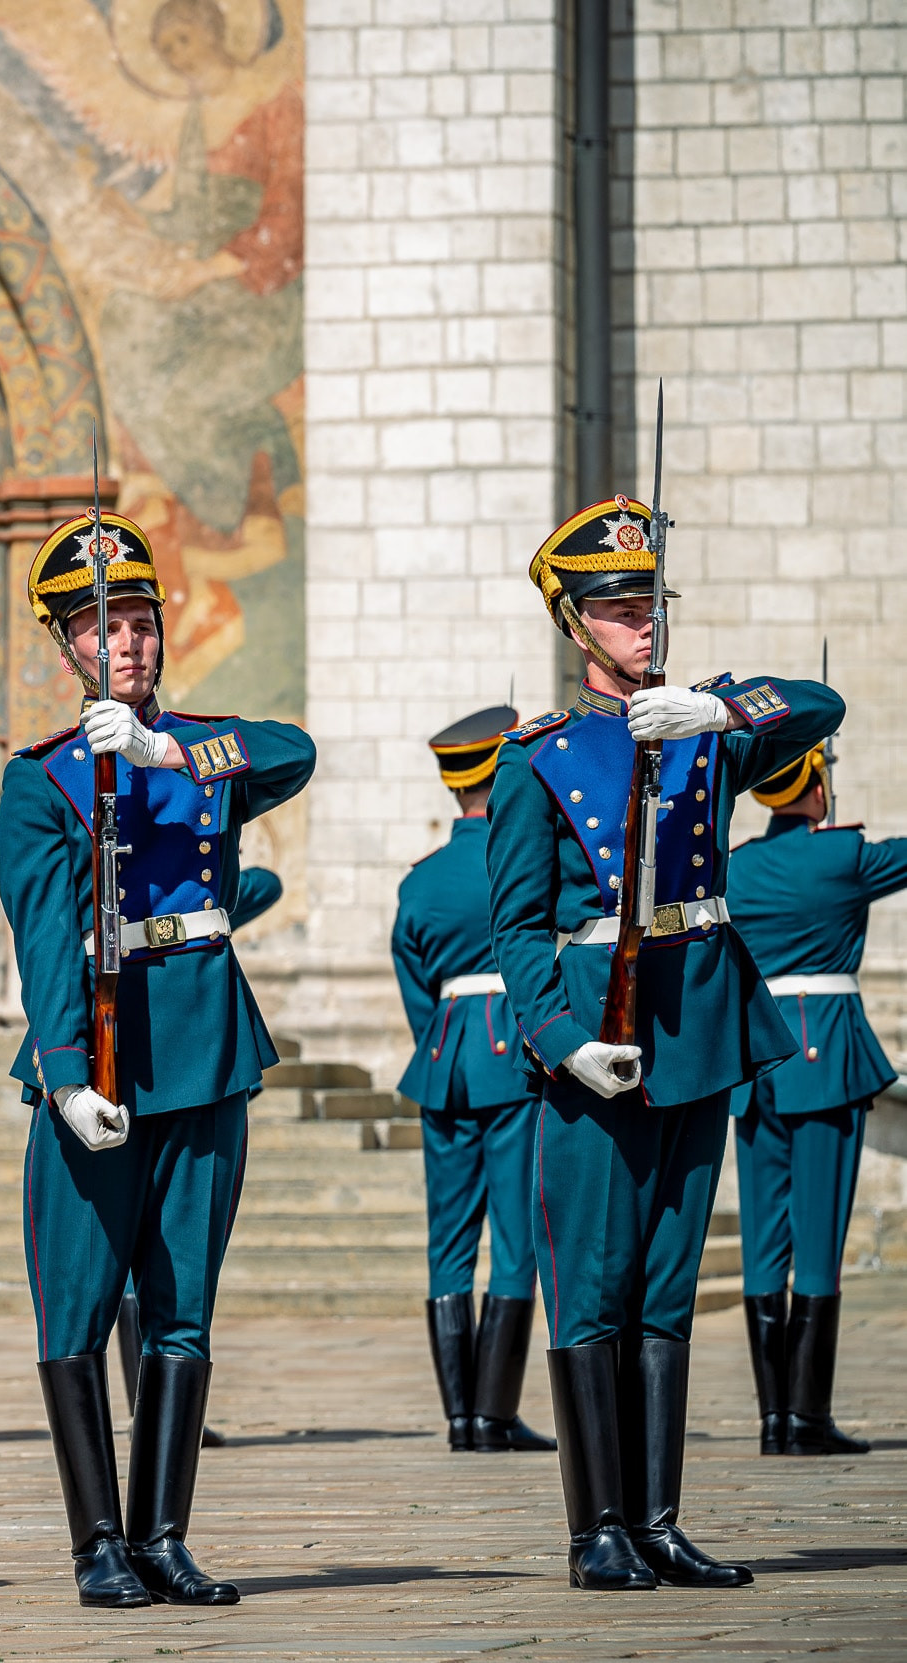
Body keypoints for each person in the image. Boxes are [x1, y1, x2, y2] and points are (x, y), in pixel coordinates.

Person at [487, 494, 840, 1591]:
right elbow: (516, 926)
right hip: (600, 1030)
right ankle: (597, 1526)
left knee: (667, 1286)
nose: (645, 625)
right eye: (620, 609)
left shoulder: (705, 729)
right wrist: (561, 1040)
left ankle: (658, 1519)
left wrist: (714, 712)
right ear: (574, 624)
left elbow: (819, 705)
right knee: (593, 1283)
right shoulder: (537, 758)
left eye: (652, 605)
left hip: (697, 1024)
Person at [0, 510, 313, 1609]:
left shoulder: (203, 751)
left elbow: (294, 750)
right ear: (67, 646)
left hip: (204, 1044)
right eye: (101, 627)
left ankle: (164, 1537)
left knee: (182, 1305)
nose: (126, 643)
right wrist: (65, 1073)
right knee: (79, 1309)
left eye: (138, 622)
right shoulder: (42, 780)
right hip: (103, 1048)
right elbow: (43, 936)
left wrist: (166, 751)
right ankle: (98, 1541)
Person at [725, 742, 903, 1456]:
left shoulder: (737, 866)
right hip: (824, 1052)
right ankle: (808, 1418)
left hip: (757, 1060)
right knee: (820, 1238)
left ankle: (774, 1419)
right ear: (816, 786)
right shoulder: (841, 856)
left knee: (764, 1239)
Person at [391, 708, 553, 1454]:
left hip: (444, 1057)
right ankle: (494, 1413)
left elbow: (415, 984)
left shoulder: (420, 881)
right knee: (517, 1237)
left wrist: (442, 1042)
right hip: (511, 1049)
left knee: (448, 1240)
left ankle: (460, 1415)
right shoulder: (523, 856)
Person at [108, 863, 282, 1449]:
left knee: (149, 1254)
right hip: (164, 1047)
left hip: (157, 1048)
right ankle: (159, 1410)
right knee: (164, 1251)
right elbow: (264, 884)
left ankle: (156, 1408)